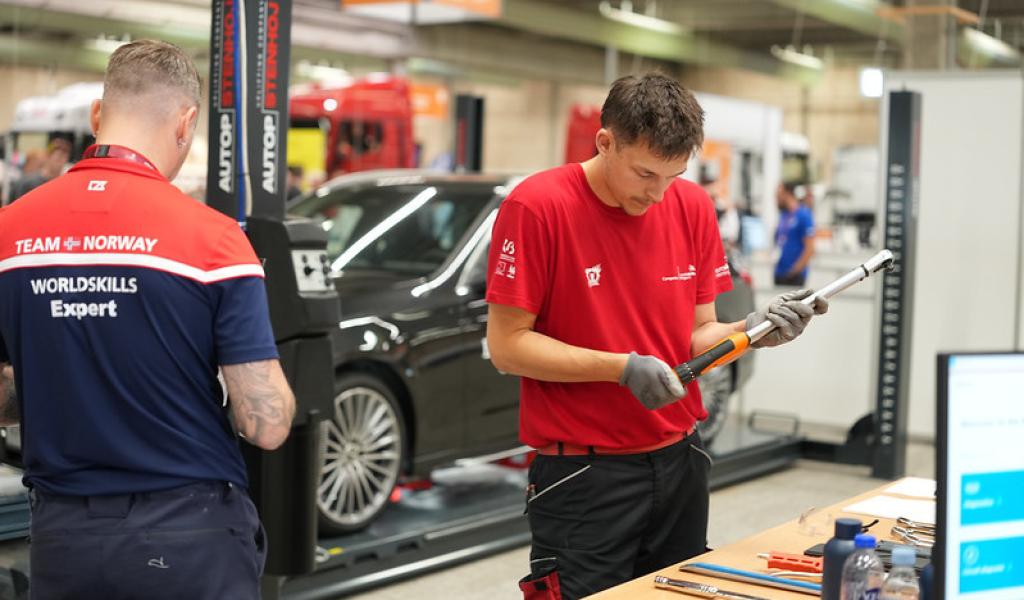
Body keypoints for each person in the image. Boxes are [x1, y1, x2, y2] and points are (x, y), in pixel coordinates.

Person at [485, 73, 829, 600]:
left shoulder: (690, 206)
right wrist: (620, 367)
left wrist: (754, 331)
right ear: (605, 142)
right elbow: (507, 347)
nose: (658, 193)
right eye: (645, 173)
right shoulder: (538, 206)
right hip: (584, 475)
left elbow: (699, 334)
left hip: (680, 462)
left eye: (673, 175)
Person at [0, 40, 295, 599]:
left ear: (96, 116)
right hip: (190, 534)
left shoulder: (8, 232)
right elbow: (266, 423)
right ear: (186, 123)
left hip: (64, 538)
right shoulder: (214, 241)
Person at [774, 182, 817, 286]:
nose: (776, 198)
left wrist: (795, 271)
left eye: (779, 194)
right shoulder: (783, 215)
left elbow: (810, 248)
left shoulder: (804, 215)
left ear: (787, 194)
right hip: (780, 273)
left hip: (794, 276)